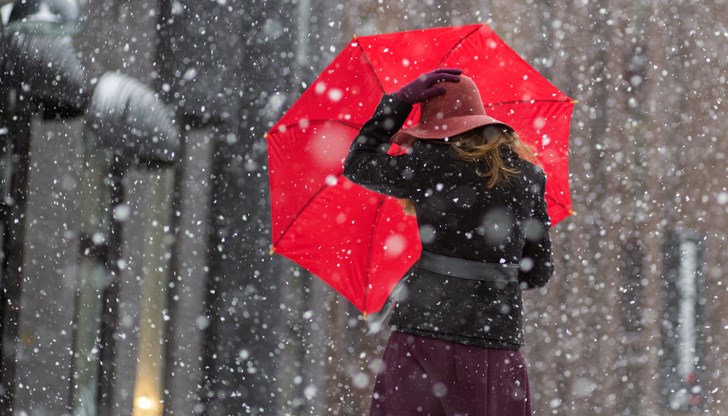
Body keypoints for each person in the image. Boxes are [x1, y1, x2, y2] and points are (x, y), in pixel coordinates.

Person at [342, 68, 553, 416]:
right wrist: (491, 278)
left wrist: (399, 102)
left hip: (423, 333)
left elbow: (358, 163)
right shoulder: (529, 176)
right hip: (494, 343)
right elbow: (538, 271)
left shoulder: (428, 165)